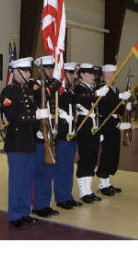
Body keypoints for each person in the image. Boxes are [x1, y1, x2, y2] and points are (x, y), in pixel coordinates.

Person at [0, 57, 49, 229]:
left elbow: (33, 113)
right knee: (17, 180)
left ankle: (24, 212)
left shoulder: (28, 91)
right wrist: (35, 117)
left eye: (30, 70)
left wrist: (39, 122)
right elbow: (13, 117)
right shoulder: (8, 92)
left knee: (27, 180)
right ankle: (15, 215)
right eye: (27, 70)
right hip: (17, 143)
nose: (30, 73)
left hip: (30, 142)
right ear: (16, 71)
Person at [73, 63, 109, 204]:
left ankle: (89, 190)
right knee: (86, 157)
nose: (92, 76)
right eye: (88, 73)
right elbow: (80, 98)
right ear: (82, 74)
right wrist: (96, 94)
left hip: (93, 125)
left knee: (93, 158)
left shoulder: (92, 87)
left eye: (93, 74)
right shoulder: (79, 87)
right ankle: (83, 192)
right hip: (85, 123)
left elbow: (98, 110)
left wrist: (99, 129)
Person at [32, 55, 61, 218]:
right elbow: (46, 91)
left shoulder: (50, 84)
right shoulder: (34, 85)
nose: (51, 71)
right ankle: (37, 205)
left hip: (50, 131)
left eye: (52, 68)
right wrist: (55, 80)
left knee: (49, 170)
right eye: (48, 68)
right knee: (40, 171)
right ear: (41, 70)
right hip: (39, 133)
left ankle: (46, 203)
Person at [96, 64, 132, 196]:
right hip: (107, 126)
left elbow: (117, 109)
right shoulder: (102, 88)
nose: (114, 75)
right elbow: (106, 108)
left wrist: (125, 106)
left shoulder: (115, 89)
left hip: (114, 125)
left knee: (113, 154)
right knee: (106, 154)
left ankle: (107, 183)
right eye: (111, 73)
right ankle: (102, 185)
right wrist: (120, 99)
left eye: (115, 73)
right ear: (105, 74)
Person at [54, 62, 82, 210]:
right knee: (61, 167)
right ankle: (60, 197)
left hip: (72, 135)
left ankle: (67, 195)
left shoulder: (71, 93)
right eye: (71, 74)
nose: (74, 77)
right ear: (65, 74)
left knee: (69, 167)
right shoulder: (58, 93)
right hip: (61, 135)